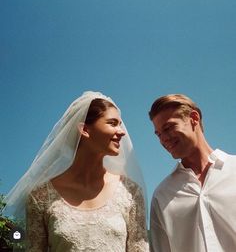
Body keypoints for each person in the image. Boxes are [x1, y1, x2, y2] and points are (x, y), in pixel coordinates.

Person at [4, 91, 149, 251]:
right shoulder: (41, 197)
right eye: (112, 123)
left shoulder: (130, 192)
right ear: (85, 129)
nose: (121, 131)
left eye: (120, 124)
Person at [148, 93, 236, 252]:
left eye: (168, 128)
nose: (164, 139)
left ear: (194, 118)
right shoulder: (162, 195)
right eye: (159, 134)